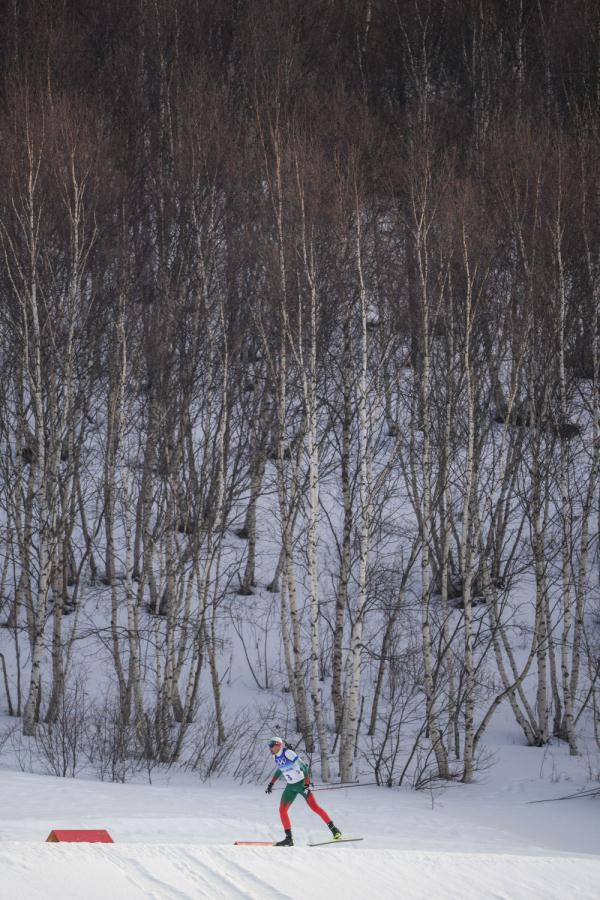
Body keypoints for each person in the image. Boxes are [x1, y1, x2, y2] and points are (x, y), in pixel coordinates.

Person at [265, 736, 342, 846]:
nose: (270, 748)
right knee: (282, 810)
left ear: (278, 745)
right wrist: (271, 783)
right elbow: (280, 770)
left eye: (271, 745)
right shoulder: (275, 757)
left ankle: (335, 830)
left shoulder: (288, 753)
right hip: (290, 787)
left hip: (301, 784)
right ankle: (289, 839)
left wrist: (306, 783)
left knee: (315, 807)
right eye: (269, 746)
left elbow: (304, 767)